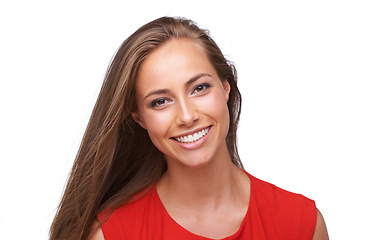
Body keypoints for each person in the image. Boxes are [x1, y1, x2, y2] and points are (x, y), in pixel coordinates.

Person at [50, 17, 329, 240]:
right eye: (160, 101)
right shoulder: (109, 234)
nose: (186, 116)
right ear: (138, 118)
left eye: (199, 88)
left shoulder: (301, 224)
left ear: (225, 87)